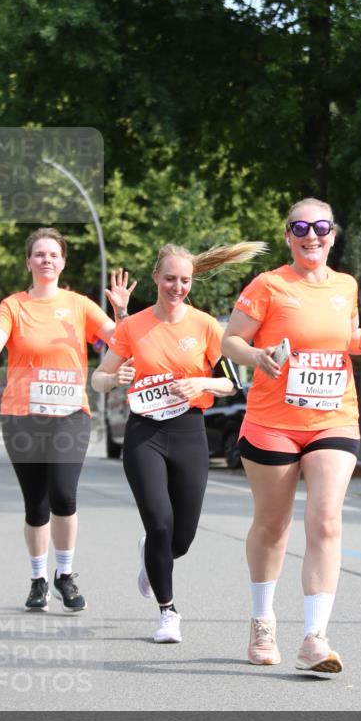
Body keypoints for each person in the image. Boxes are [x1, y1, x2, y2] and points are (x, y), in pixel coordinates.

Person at [221, 197, 361, 674]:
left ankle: (315, 637)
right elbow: (231, 341)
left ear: (333, 235)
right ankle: (262, 620)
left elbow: (342, 336)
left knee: (326, 519)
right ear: (288, 237)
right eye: (300, 228)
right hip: (273, 422)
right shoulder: (268, 285)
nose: (311, 235)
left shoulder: (346, 285)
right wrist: (257, 356)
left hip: (334, 417)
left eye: (320, 227)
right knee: (273, 526)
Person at [91, 240, 266, 643]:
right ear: (156, 277)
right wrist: (112, 378)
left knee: (180, 539)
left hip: (189, 431)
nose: (177, 287)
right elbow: (99, 378)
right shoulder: (132, 326)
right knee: (160, 523)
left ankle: (151, 553)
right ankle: (168, 612)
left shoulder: (206, 326)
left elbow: (231, 384)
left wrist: (201, 382)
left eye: (184, 280)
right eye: (170, 278)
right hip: (145, 433)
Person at [0, 228, 135, 613]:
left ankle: (65, 575)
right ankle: (38, 580)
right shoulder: (13, 306)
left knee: (64, 495)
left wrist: (121, 312)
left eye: (53, 254)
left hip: (70, 414)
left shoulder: (79, 305)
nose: (46, 259)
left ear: (62, 262)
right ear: (28, 262)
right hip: (22, 416)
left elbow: (121, 341)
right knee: (36, 503)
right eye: (39, 254)